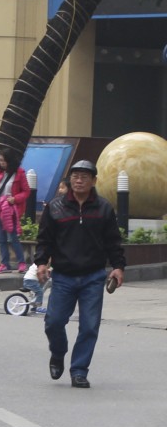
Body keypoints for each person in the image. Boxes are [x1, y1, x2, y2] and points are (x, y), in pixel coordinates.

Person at [35, 160, 125, 389]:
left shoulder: (104, 208)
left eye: (85, 176)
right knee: (53, 323)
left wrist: (118, 266)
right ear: (70, 179)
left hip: (93, 277)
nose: (79, 180)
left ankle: (79, 371)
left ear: (94, 181)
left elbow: (113, 241)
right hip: (63, 276)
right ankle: (58, 353)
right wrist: (41, 263)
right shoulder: (55, 207)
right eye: (75, 176)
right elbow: (44, 239)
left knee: (89, 326)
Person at [0, 149, 31, 274]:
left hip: (10, 208)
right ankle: (4, 263)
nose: (1, 163)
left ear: (10, 161)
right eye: (0, 160)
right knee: (0, 238)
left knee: (12, 236)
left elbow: (26, 191)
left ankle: (21, 262)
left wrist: (15, 199)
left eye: (4, 161)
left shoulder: (19, 173)